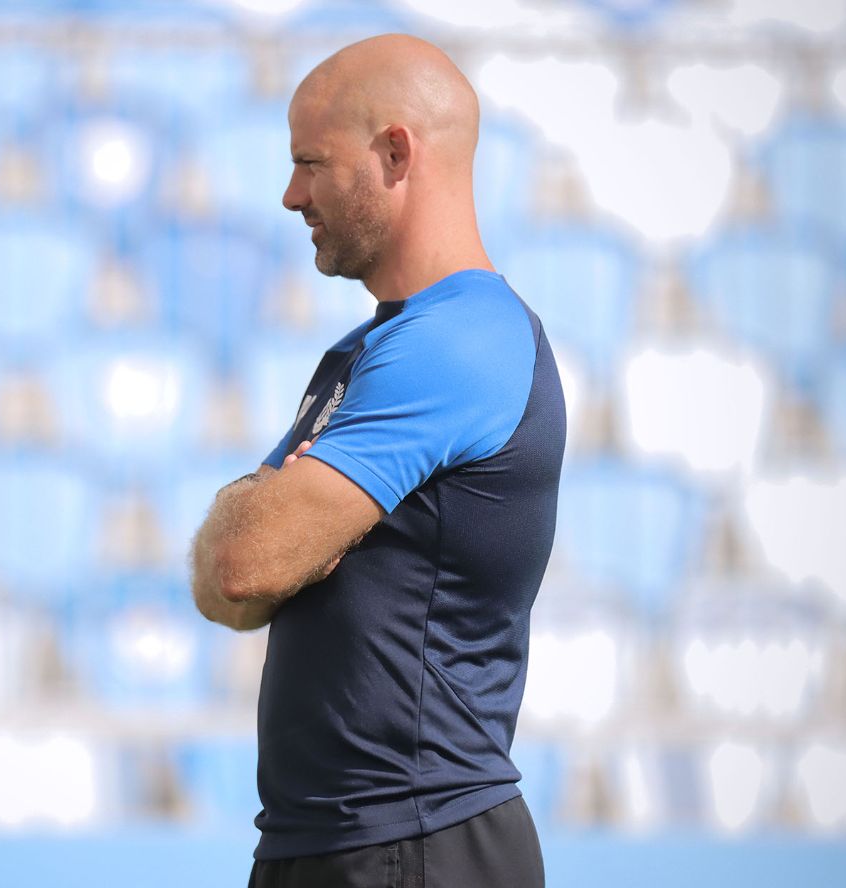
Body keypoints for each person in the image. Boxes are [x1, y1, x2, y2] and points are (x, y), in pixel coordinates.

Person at [189, 33, 566, 888]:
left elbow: (245, 558)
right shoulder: (373, 348)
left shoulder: (458, 340)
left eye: (310, 163)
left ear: (396, 153)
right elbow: (226, 592)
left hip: (415, 840)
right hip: (340, 842)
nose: (291, 195)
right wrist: (269, 527)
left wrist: (271, 515)